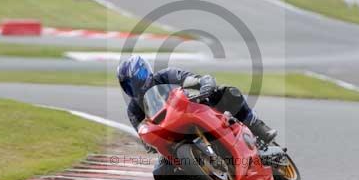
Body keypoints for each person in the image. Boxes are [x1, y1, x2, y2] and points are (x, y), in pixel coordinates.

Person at [117, 55, 278, 144]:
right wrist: (151, 143)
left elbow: (192, 79)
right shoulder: (133, 109)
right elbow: (144, 136)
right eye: (129, 85)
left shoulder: (165, 75)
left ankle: (256, 125)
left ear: (145, 71)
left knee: (228, 93)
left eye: (136, 79)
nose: (135, 86)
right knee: (160, 175)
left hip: (195, 108)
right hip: (173, 132)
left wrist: (204, 84)